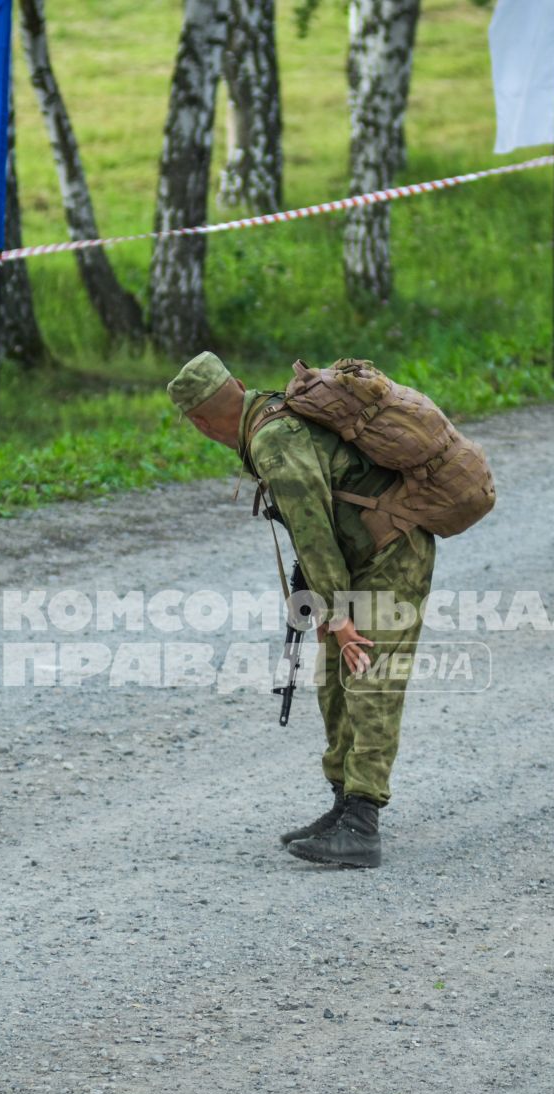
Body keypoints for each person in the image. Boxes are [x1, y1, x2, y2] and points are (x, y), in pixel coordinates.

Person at [168, 351, 436, 870]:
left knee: (370, 675)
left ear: (200, 424)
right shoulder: (267, 413)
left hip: (392, 553)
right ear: (238, 384)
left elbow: (312, 530)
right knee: (335, 677)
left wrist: (336, 614)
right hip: (359, 558)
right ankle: (343, 805)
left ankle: (363, 822)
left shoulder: (272, 441)